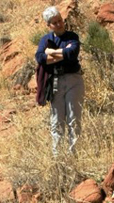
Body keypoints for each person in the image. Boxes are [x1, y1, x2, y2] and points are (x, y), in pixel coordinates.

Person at [35, 6, 85, 155]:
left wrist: (51, 52)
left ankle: (74, 155)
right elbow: (40, 57)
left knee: (74, 118)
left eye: (60, 20)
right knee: (57, 122)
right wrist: (63, 53)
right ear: (48, 25)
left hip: (73, 80)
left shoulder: (72, 36)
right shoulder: (46, 39)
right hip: (55, 82)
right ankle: (58, 158)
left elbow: (72, 52)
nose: (58, 24)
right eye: (54, 23)